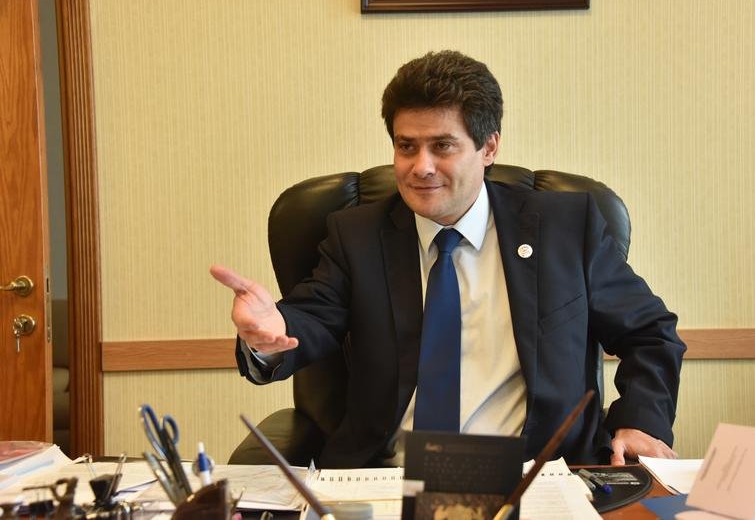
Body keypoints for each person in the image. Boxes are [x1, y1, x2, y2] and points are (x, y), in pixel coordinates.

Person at [211, 50, 685, 468]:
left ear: (489, 147)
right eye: (406, 146)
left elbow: (649, 332)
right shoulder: (357, 235)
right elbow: (312, 317)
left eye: (442, 146)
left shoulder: (565, 228)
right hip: (390, 479)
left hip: (535, 477)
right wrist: (268, 335)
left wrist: (641, 421)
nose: (421, 167)